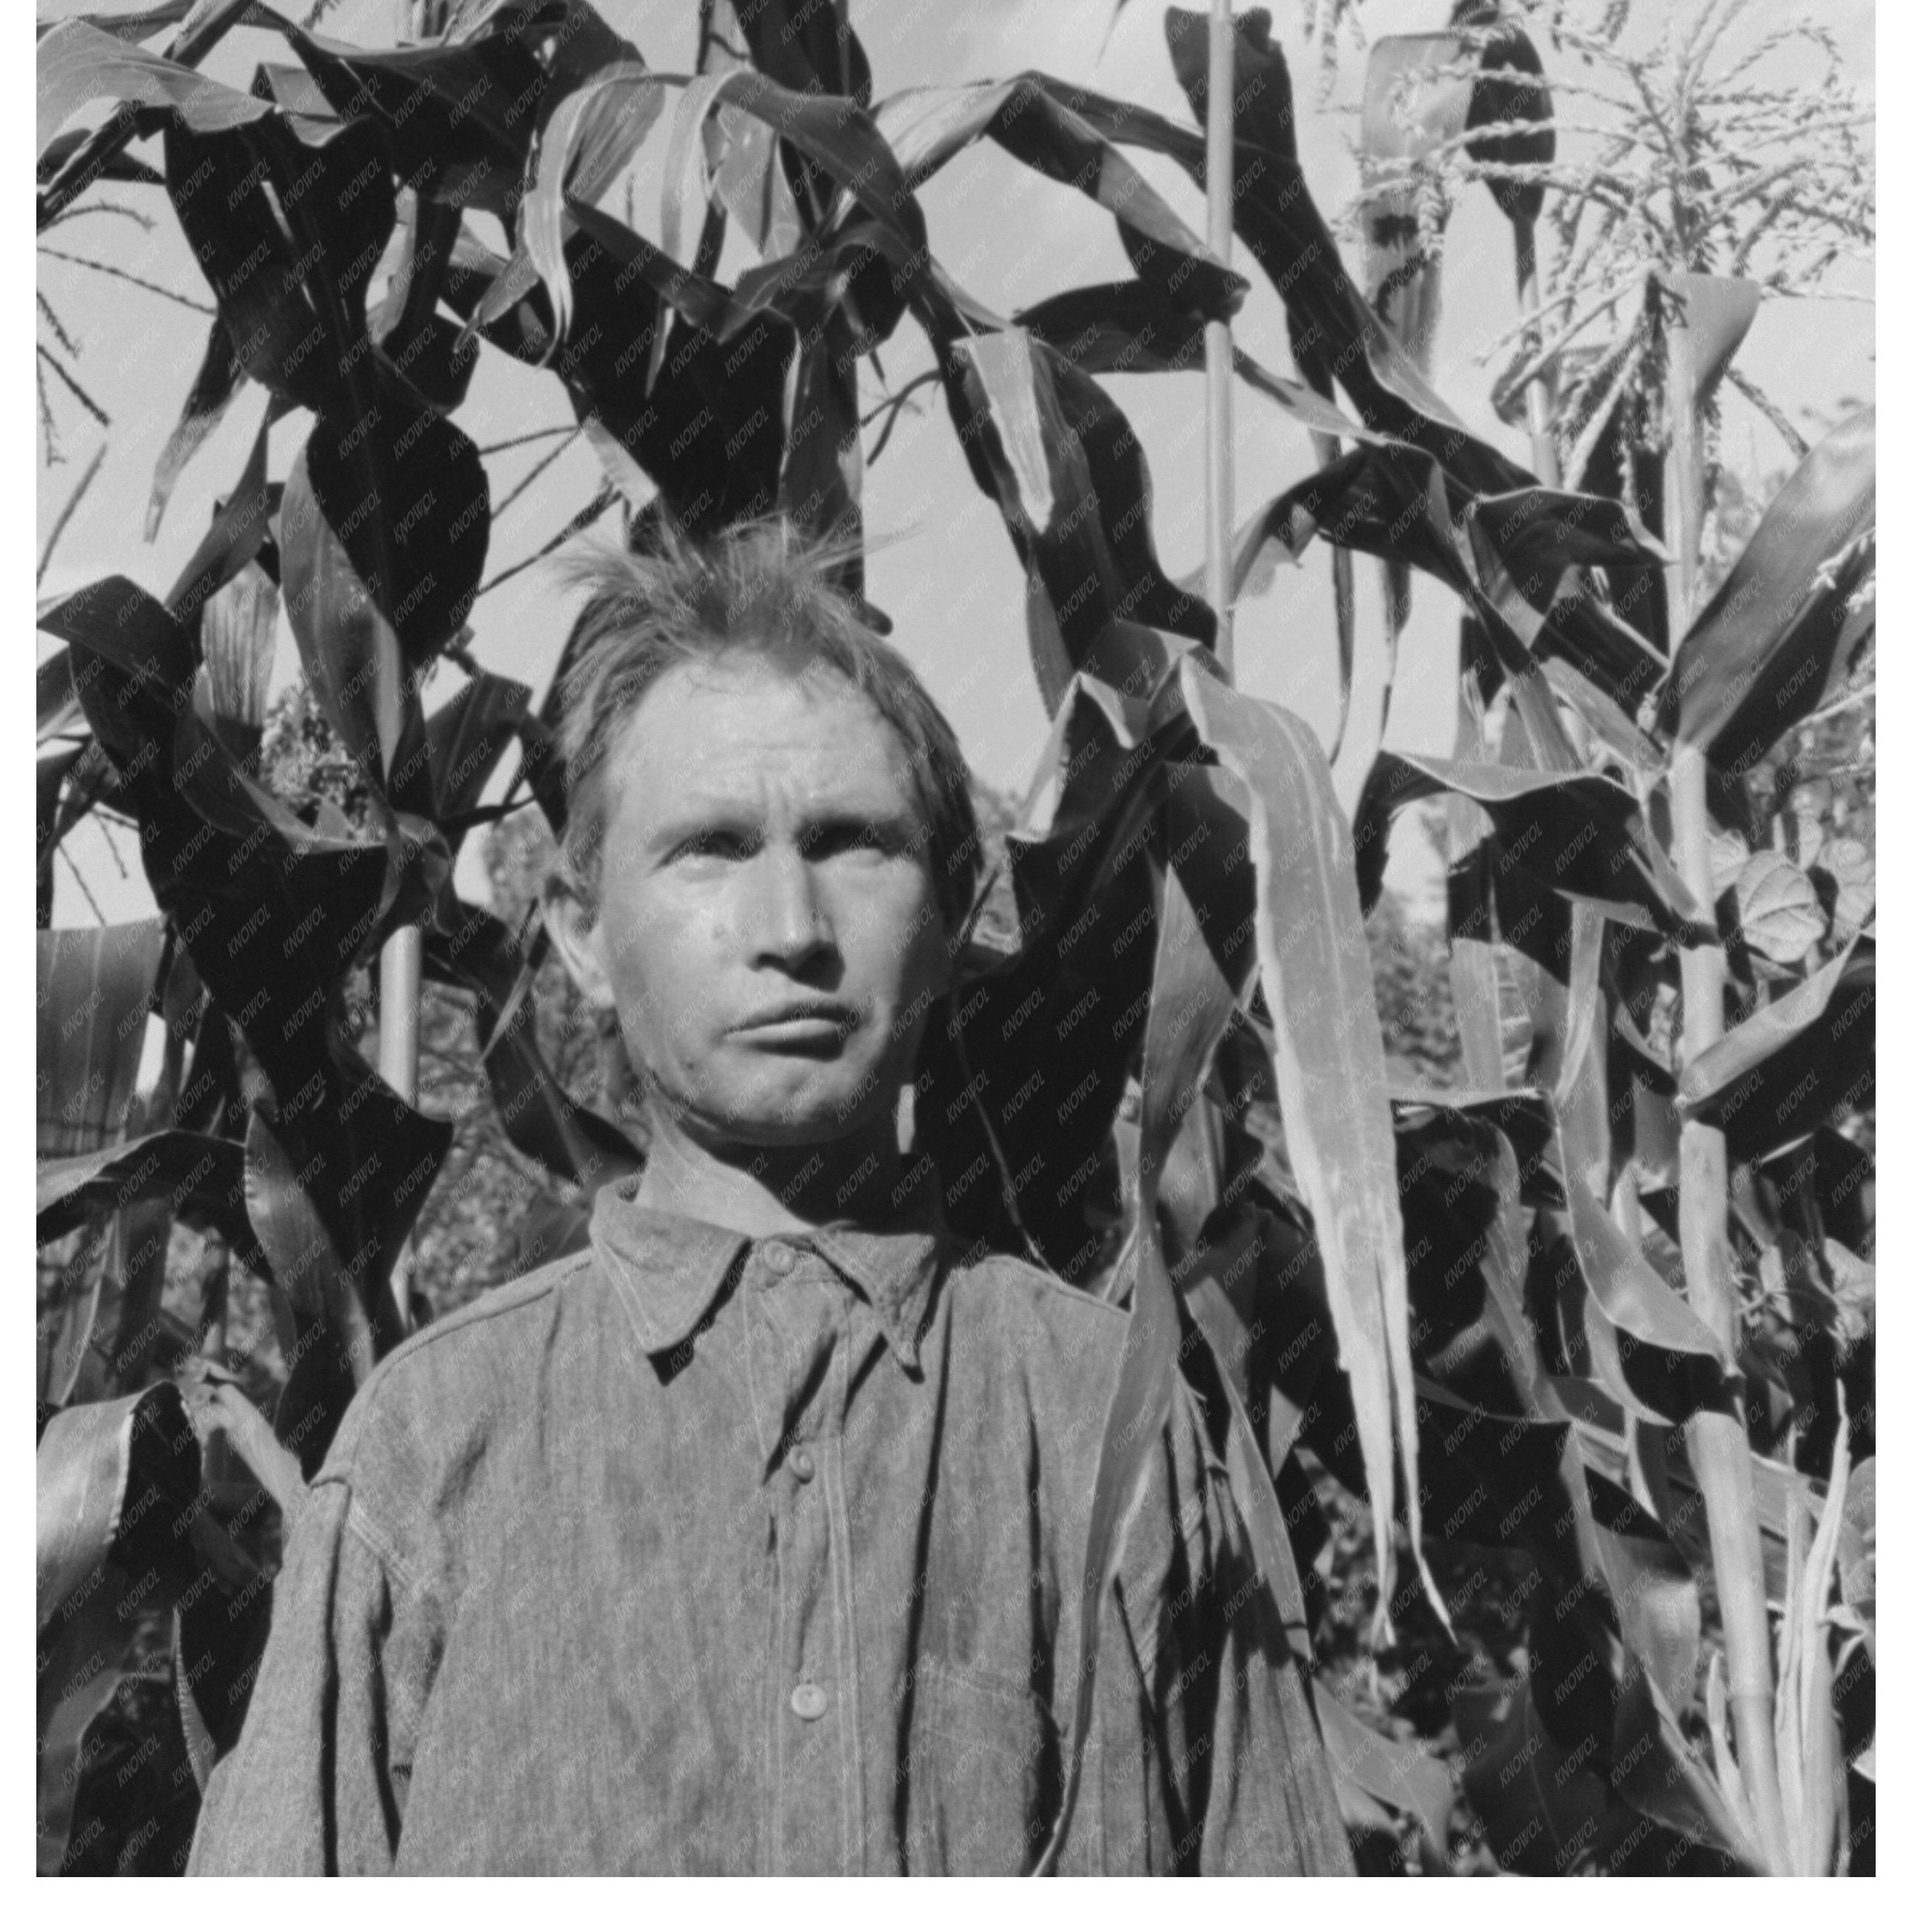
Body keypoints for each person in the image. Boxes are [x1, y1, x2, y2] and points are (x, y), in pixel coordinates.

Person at [188, 517, 1350, 1876]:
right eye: (710, 847)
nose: (791, 927)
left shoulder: (1118, 1434)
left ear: (953, 910)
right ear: (578, 932)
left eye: (856, 843)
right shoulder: (432, 1450)